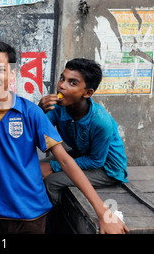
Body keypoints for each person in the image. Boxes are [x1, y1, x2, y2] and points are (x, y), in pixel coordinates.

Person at [0, 41, 129, 234]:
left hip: (31, 214)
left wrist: (103, 213)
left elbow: (65, 161)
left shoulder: (31, 112)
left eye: (1, 70)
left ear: (13, 73)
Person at [38, 58, 128, 208]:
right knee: (33, 167)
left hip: (106, 169)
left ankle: (53, 221)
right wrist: (39, 111)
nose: (61, 86)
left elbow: (96, 161)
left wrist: (53, 166)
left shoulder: (100, 121)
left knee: (51, 182)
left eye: (72, 83)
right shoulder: (59, 108)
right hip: (82, 155)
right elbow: (37, 133)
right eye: (62, 79)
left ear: (87, 93)